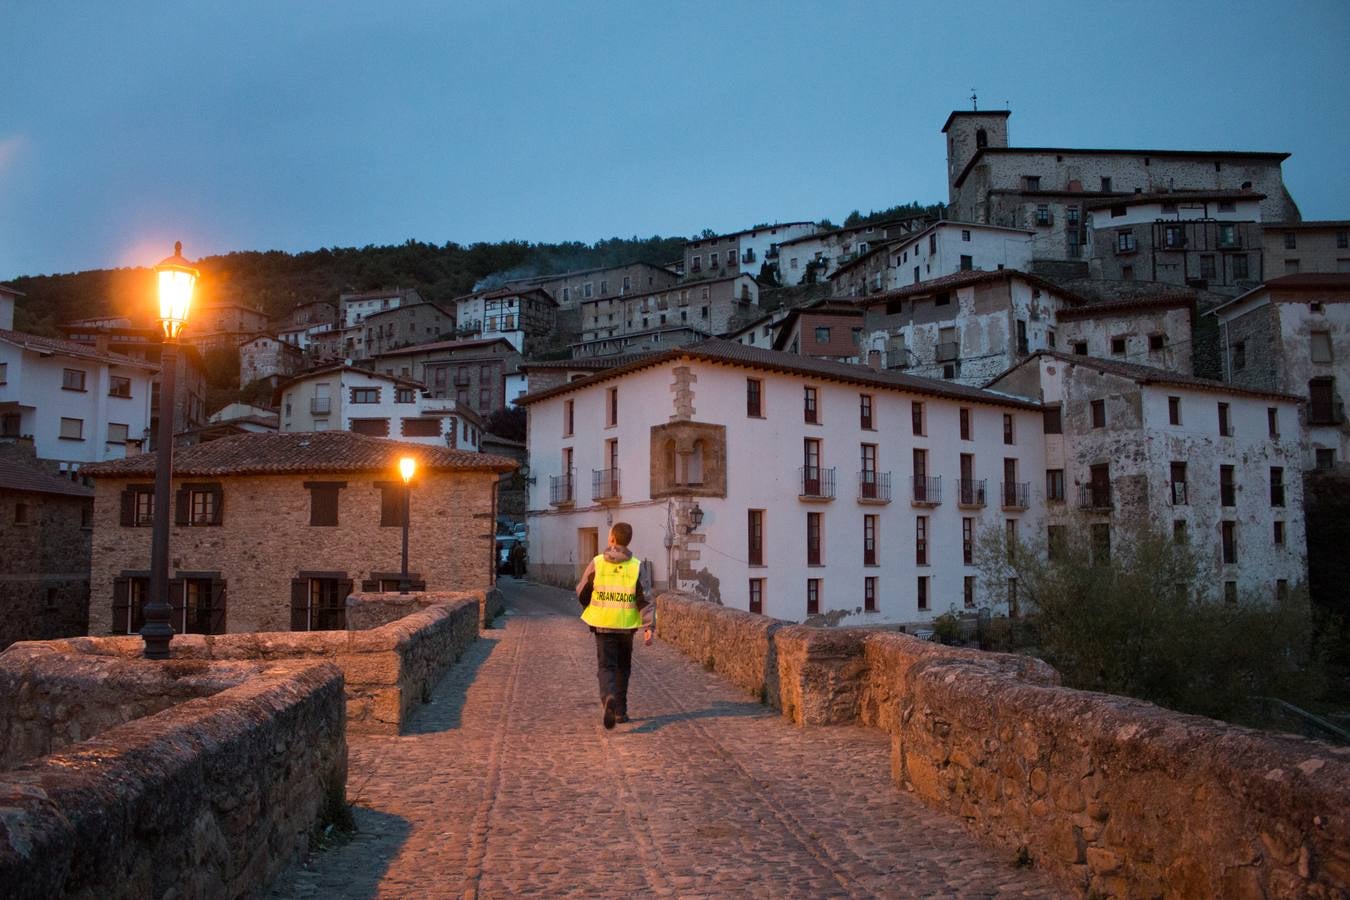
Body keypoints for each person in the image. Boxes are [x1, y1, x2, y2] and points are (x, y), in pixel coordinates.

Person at [576, 521, 653, 729]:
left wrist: (590, 606)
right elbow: (644, 598)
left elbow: (581, 590)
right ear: (628, 540)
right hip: (627, 626)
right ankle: (620, 711)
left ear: (611, 539)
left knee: (606, 667)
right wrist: (649, 627)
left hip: (602, 624)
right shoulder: (637, 566)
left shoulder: (597, 563)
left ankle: (608, 696)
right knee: (623, 668)